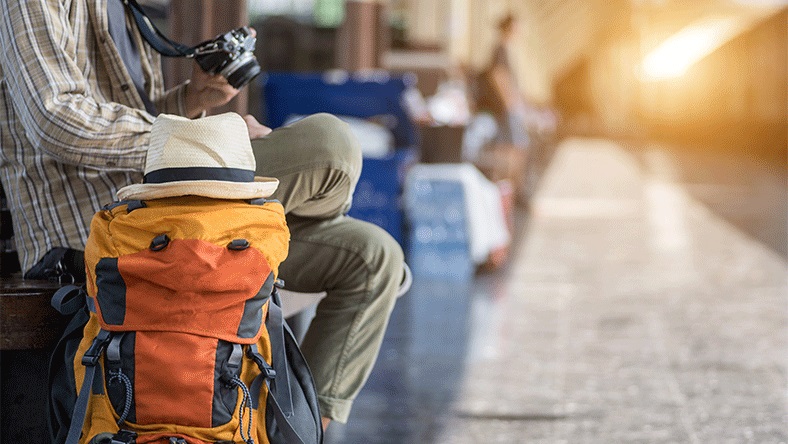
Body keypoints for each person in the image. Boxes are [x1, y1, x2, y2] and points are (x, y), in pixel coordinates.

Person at [0, 0, 404, 429]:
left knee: (373, 256)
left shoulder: (123, 9)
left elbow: (134, 127)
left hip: (173, 216)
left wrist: (192, 100)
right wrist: (202, 136)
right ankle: (297, 220)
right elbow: (57, 119)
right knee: (330, 145)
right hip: (107, 230)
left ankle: (303, 432)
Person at [477, 13, 530, 148]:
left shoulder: (504, 49)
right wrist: (509, 102)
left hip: (507, 104)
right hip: (506, 105)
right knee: (512, 147)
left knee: (513, 145)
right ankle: (506, 170)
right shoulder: (500, 48)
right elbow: (498, 75)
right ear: (510, 28)